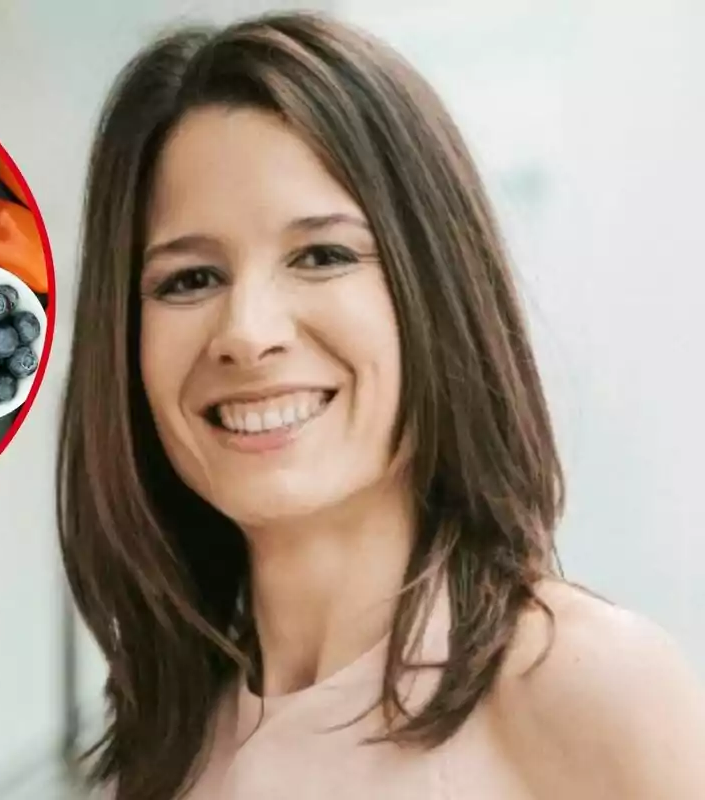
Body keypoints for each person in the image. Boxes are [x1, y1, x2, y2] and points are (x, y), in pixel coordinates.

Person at [56, 10, 705, 800]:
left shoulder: (582, 684)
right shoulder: (170, 740)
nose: (247, 334)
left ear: (435, 290)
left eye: (322, 256)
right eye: (190, 279)